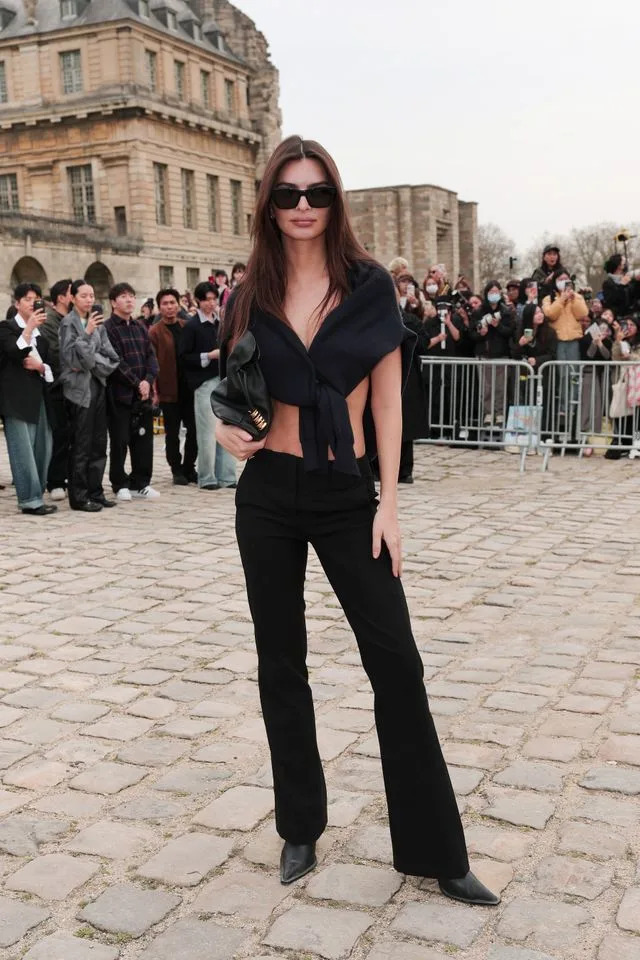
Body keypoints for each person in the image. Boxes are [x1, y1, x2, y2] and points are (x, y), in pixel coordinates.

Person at [215, 135, 498, 906]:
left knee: (396, 661)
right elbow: (231, 386)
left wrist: (391, 507)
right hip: (267, 493)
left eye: (317, 193)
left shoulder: (368, 286)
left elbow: (388, 401)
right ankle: (299, 826)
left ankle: (437, 852)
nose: (303, 206)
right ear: (269, 205)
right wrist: (220, 427)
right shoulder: (252, 290)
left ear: (335, 201)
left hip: (346, 492)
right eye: (288, 194)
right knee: (281, 662)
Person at [58, 280, 120, 511]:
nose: (89, 300)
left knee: (99, 443)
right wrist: (86, 335)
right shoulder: (68, 323)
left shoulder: (98, 322)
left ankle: (96, 491)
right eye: (84, 296)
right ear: (73, 298)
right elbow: (71, 359)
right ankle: (79, 496)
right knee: (81, 444)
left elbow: (111, 357)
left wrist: (90, 360)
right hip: (78, 391)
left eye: (92, 295)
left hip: (98, 384)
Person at [0, 282, 55, 515]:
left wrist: (40, 367)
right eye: (27, 299)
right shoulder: (6, 328)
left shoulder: (42, 337)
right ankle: (29, 500)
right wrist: (29, 328)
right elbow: (14, 352)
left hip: (39, 398)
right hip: (15, 399)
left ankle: (37, 494)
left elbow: (52, 368)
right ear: (17, 303)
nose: (33, 303)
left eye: (36, 299)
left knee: (43, 447)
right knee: (22, 450)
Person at [104, 282, 160, 500]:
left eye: (131, 296)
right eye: (123, 296)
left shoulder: (139, 327)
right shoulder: (108, 328)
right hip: (121, 395)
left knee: (143, 441)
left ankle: (141, 482)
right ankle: (120, 483)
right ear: (113, 302)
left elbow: (151, 357)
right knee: (120, 441)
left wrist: (148, 381)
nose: (129, 300)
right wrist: (137, 383)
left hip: (142, 395)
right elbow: (115, 362)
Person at [179, 281, 236, 490]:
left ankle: (227, 476)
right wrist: (208, 356)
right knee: (207, 432)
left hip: (224, 380)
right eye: (207, 300)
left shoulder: (221, 324)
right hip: (204, 383)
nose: (211, 303)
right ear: (198, 301)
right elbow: (184, 357)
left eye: (213, 299)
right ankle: (207, 477)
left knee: (228, 427)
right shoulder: (192, 326)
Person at [149, 288, 197, 485]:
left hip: (189, 388)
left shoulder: (187, 326)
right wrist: (154, 390)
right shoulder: (155, 332)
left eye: (172, 303)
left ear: (179, 305)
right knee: (172, 433)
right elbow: (152, 362)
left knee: (194, 430)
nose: (169, 307)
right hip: (168, 389)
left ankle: (189, 466)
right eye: (165, 304)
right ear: (159, 307)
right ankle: (176, 469)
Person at [40, 278, 72, 502]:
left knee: (74, 436)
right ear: (61, 297)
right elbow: (56, 353)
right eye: (73, 293)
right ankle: (55, 481)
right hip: (57, 386)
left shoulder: (75, 320)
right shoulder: (50, 322)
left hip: (76, 386)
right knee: (60, 435)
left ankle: (71, 477)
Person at [469, 281, 515, 426]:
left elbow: (510, 332)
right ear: (486, 294)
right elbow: (471, 334)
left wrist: (498, 326)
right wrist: (481, 333)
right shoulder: (478, 312)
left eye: (496, 292)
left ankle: (500, 413)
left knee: (500, 387)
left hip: (501, 354)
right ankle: (488, 413)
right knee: (486, 387)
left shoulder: (506, 311)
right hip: (484, 354)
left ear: (500, 293)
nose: (494, 295)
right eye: (491, 292)